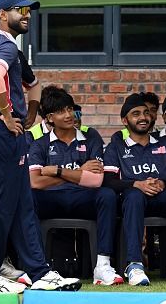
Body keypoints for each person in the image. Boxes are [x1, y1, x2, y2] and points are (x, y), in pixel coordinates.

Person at [0, 0, 80, 293]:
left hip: (4, 131)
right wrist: (8, 115)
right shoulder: (4, 45)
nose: (27, 15)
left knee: (22, 206)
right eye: (20, 10)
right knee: (0, 206)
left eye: (29, 10)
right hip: (0, 130)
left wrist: (31, 113)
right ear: (3, 14)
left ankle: (39, 271)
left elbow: (33, 85)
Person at [102, 93, 166, 286]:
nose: (143, 117)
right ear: (125, 120)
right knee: (133, 196)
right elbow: (108, 181)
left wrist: (163, 183)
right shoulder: (116, 147)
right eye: (136, 113)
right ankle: (134, 265)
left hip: (164, 197)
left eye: (146, 113)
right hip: (134, 201)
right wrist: (136, 184)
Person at [28, 86, 123, 285]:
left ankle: (103, 265)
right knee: (28, 197)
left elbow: (96, 179)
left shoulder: (91, 137)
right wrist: (79, 172)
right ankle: (37, 267)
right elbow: (35, 181)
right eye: (62, 111)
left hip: (83, 198)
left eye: (70, 109)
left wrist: (57, 170)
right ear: (50, 118)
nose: (69, 115)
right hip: (51, 198)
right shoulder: (40, 143)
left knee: (106, 194)